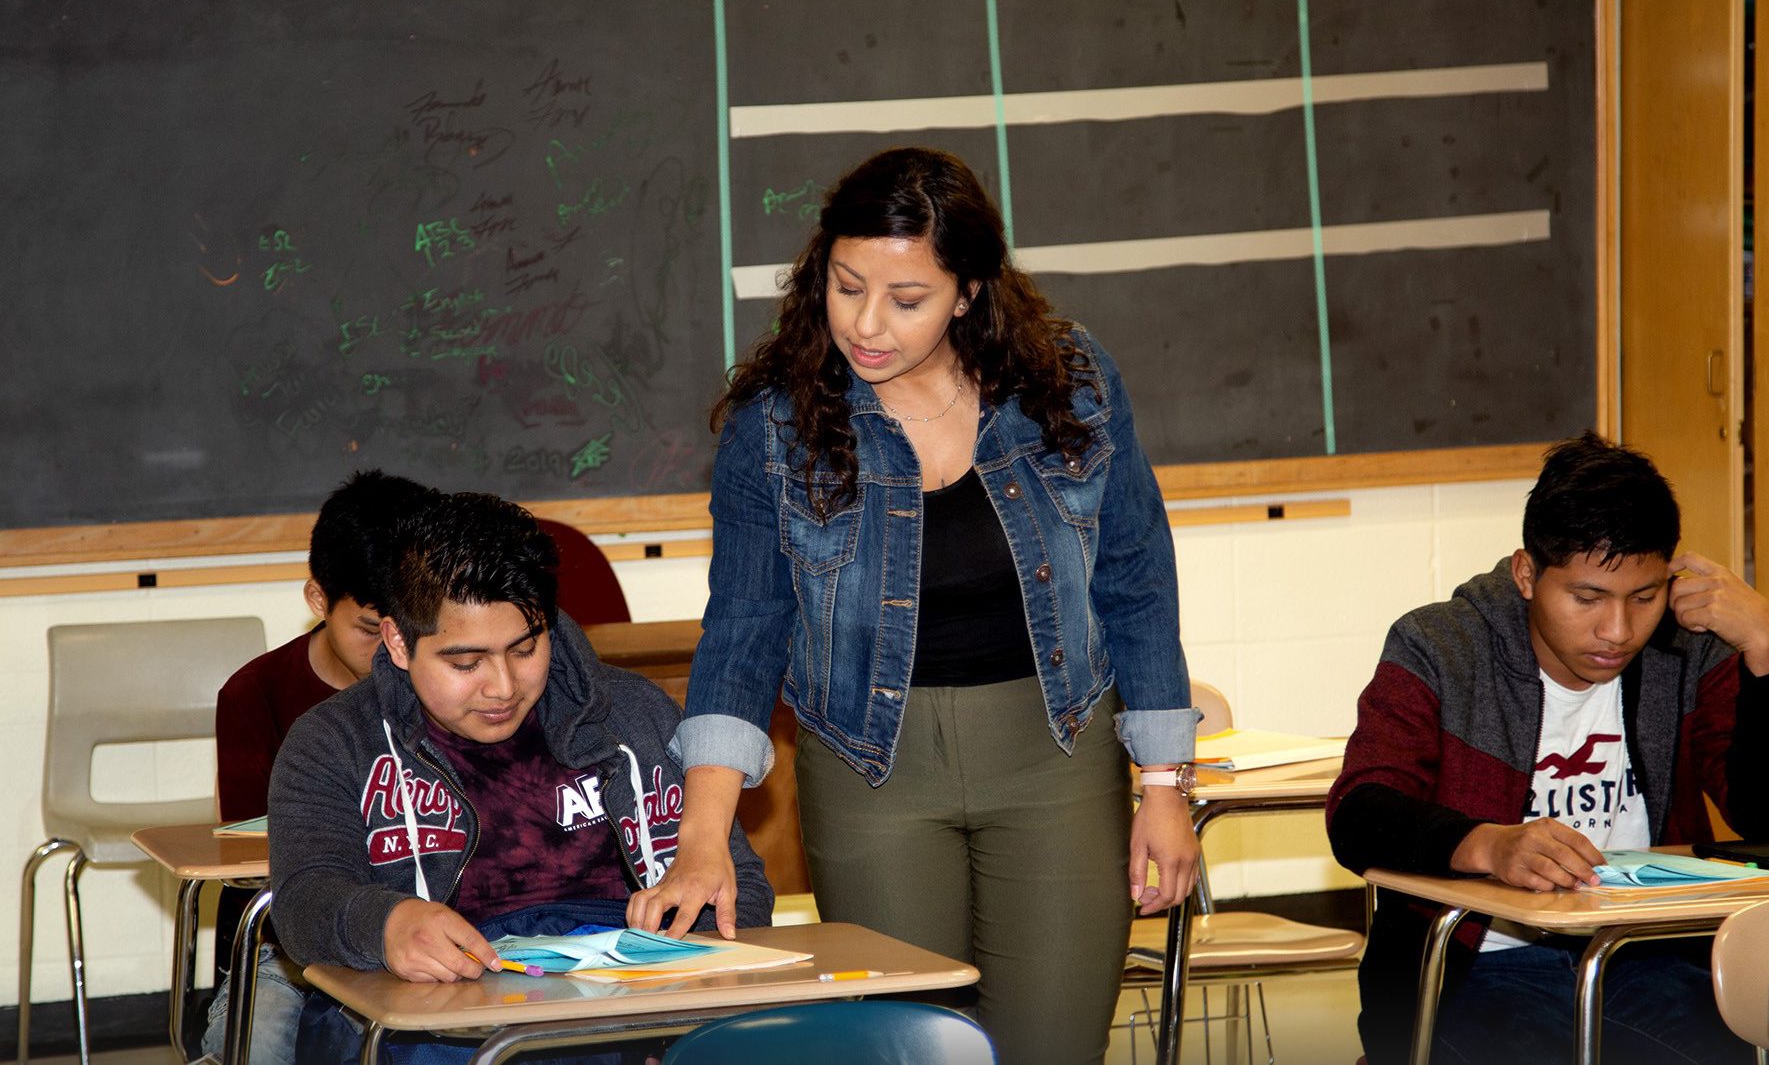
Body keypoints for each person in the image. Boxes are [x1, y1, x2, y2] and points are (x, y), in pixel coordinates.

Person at [626, 146, 1201, 1065]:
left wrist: (1164, 787)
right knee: (904, 1048)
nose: (866, 323)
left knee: (1051, 1044)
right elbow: (741, 630)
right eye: (847, 286)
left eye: (906, 300)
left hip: (1053, 755)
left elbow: (1135, 578)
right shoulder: (776, 422)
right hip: (869, 769)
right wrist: (701, 838)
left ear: (969, 291)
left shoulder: (1072, 382)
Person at [267, 492, 774, 1062]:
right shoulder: (334, 742)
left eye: (525, 648)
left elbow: (743, 890)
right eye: (465, 664)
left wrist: (679, 988)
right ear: (399, 643)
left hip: (632, 1021)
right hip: (448, 1026)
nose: (503, 686)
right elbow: (301, 902)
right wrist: (386, 924)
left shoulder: (635, 716)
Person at [1326, 432, 1769, 1065]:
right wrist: (1489, 844)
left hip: (1643, 954)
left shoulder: (1689, 649)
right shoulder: (1441, 647)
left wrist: (1764, 650)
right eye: (1587, 599)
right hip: (1476, 969)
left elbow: (1759, 814)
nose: (1617, 631)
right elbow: (1359, 812)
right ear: (1526, 573)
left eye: (1643, 598)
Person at [203, 468, 437, 1062]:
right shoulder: (255, 695)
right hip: (291, 948)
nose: (394, 649)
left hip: (439, 927)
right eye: (368, 628)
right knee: (257, 1046)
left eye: (411, 627)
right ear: (317, 599)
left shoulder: (457, 686)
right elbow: (259, 864)